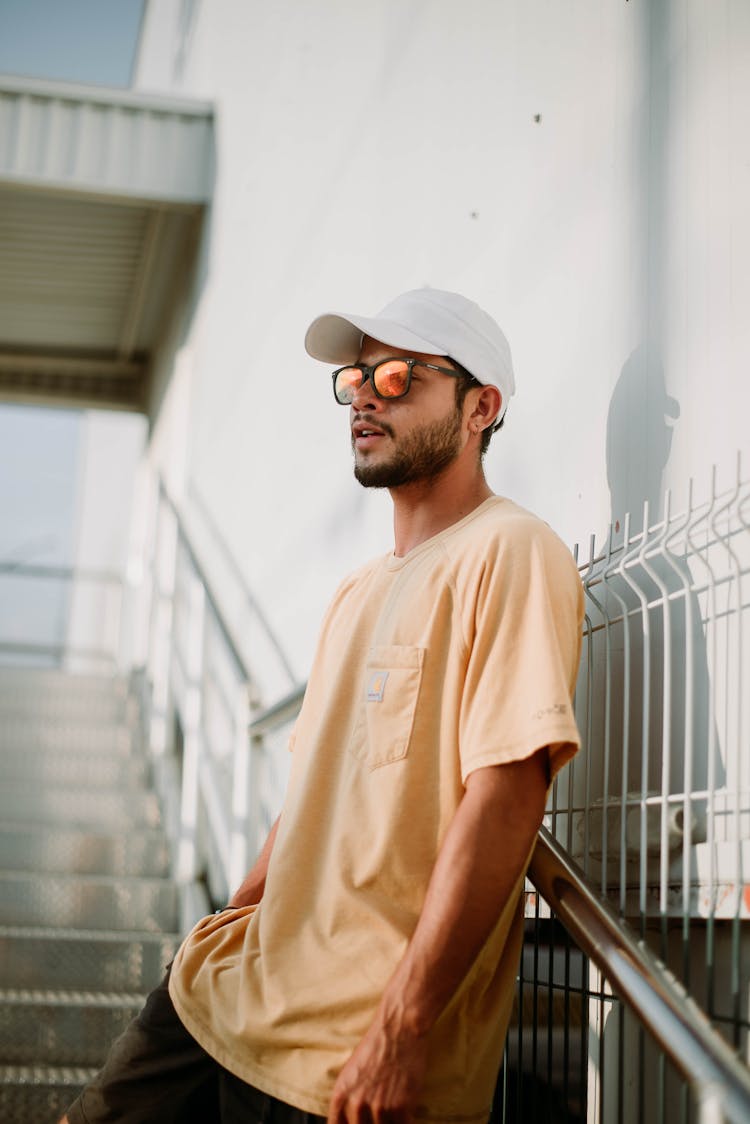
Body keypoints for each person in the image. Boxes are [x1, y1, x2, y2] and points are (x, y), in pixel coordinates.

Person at [62, 287, 583, 1124]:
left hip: (343, 1057)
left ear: (481, 407)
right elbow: (310, 795)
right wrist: (230, 914)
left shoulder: (511, 552)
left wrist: (403, 1031)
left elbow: (507, 794)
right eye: (355, 381)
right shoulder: (356, 590)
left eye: (400, 377)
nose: (365, 399)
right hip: (223, 990)